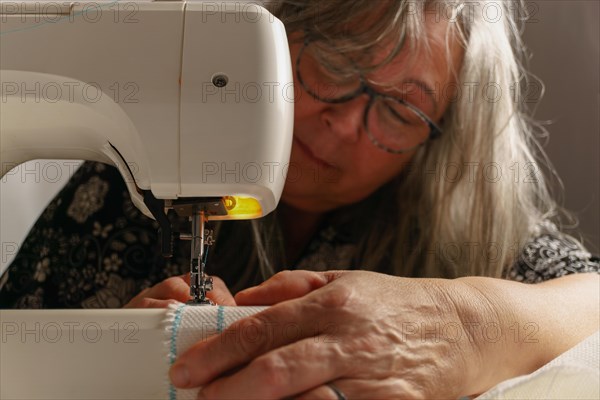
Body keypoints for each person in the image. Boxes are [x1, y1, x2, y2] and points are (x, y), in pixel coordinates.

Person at [1, 0, 598, 398]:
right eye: (338, 67)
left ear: (438, 141)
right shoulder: (130, 184)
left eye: (400, 109)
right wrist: (98, 373)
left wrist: (465, 323)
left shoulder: (463, 222)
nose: (343, 123)